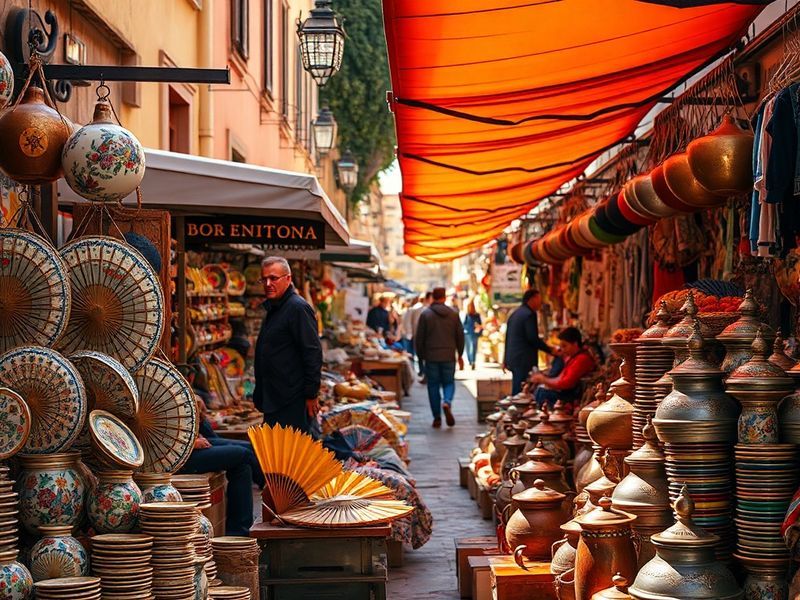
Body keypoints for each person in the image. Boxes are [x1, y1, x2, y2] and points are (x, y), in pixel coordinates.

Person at [253, 256, 322, 432]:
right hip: (275, 399)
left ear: (288, 279)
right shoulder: (276, 307)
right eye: (264, 279)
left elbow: (312, 353)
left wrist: (311, 394)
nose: (268, 284)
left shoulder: (297, 308)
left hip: (292, 400)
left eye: (273, 278)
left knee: (293, 455)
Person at [180, 401, 261, 536]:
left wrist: (198, 410)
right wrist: (191, 443)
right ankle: (269, 488)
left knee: (244, 459)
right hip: (180, 454)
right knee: (244, 455)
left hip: (192, 440)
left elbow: (207, 433)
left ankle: (239, 533)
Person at [415, 287, 465, 428]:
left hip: (431, 356)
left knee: (433, 385)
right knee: (449, 382)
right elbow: (460, 336)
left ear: (433, 298)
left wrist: (420, 357)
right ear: (444, 297)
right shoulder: (453, 314)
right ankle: (447, 402)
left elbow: (420, 339)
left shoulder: (426, 315)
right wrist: (460, 354)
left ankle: (437, 417)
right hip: (449, 355)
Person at [530, 327, 596, 410]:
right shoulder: (573, 357)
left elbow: (565, 383)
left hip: (572, 398)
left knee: (542, 393)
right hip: (567, 393)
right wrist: (543, 380)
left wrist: (543, 380)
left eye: (565, 346)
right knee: (540, 389)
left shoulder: (582, 359)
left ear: (575, 344)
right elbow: (560, 379)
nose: (563, 350)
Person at [503, 289, 553, 395]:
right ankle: (518, 411)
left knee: (518, 388)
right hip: (523, 359)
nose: (541, 302)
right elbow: (532, 338)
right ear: (532, 299)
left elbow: (508, 337)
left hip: (514, 358)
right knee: (523, 391)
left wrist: (505, 359)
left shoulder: (515, 313)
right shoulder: (529, 314)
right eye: (539, 299)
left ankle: (515, 409)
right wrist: (550, 350)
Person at [411, 292, 432, 382]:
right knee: (422, 356)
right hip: (421, 335)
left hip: (423, 335)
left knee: (423, 356)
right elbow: (415, 323)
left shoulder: (425, 309)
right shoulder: (420, 309)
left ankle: (424, 374)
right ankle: (424, 373)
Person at [462, 298, 483, 370]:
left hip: (473, 332)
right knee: (469, 348)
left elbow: (480, 324)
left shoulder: (476, 315)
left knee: (473, 347)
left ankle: (472, 361)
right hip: (468, 333)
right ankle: (471, 361)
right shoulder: (467, 315)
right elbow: (464, 324)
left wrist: (478, 327)